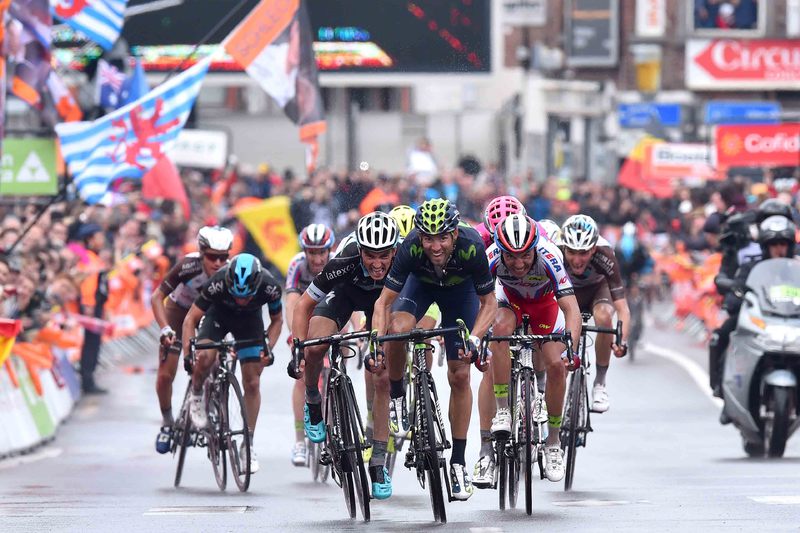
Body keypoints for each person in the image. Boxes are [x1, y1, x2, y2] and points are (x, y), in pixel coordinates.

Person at [372, 198, 497, 501]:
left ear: (455, 233)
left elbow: (489, 304)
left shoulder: (471, 246)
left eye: (442, 237)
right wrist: (376, 341)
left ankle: (458, 462)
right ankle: (399, 394)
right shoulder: (411, 247)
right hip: (422, 286)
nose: (435, 246)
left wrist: (476, 339)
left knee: (460, 376)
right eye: (428, 237)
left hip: (461, 293)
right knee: (398, 330)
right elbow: (383, 303)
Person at [288, 212, 399, 500]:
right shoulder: (344, 259)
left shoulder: (402, 263)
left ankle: (377, 464)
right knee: (315, 346)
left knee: (382, 375)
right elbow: (303, 306)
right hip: (345, 295)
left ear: (394, 251)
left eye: (384, 256)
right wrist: (298, 349)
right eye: (370, 256)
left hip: (383, 304)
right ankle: (313, 400)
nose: (377, 263)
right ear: (360, 250)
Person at [181, 253, 283, 474]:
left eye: (246, 297)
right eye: (237, 295)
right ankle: (197, 393)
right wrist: (189, 355)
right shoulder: (216, 283)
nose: (241, 300)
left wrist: (269, 349)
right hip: (219, 316)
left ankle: (248, 444)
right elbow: (191, 319)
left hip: (249, 322)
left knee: (253, 382)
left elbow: (277, 321)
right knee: (206, 356)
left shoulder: (270, 286)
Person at [150, 226, 233, 454]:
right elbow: (157, 297)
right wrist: (165, 328)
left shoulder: (230, 272)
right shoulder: (188, 266)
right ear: (201, 253)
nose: (218, 262)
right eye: (212, 257)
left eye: (223, 257)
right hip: (179, 313)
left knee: (213, 359)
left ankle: (213, 406)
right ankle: (168, 424)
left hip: (209, 315)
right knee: (167, 373)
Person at [711, 216, 797, 401]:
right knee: (722, 334)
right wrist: (733, 289)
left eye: (783, 244)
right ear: (765, 246)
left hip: (793, 322)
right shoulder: (752, 267)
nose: (779, 249)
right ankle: (721, 387)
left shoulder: (797, 268)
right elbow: (737, 288)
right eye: (774, 244)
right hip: (762, 321)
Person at [560, 214, 630, 412]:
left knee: (604, 317)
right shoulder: (555, 250)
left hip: (598, 291)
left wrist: (621, 341)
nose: (577, 259)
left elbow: (623, 307)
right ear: (564, 247)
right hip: (567, 291)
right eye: (572, 252)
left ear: (593, 248)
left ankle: (600, 383)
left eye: (584, 253)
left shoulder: (605, 253)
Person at [284, 223, 335, 466]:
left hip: (332, 313)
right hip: (305, 314)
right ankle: (299, 441)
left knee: (338, 363)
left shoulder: (338, 263)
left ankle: (337, 424)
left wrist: (357, 330)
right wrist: (295, 337)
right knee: (303, 375)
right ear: (304, 252)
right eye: (311, 252)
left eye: (321, 252)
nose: (316, 258)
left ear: (329, 250)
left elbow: (351, 303)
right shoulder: (297, 265)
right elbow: (292, 304)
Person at [76, 224, 109, 394]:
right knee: (91, 342)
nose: (102, 240)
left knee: (94, 342)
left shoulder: (95, 258)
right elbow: (88, 284)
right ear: (90, 239)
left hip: (97, 306)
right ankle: (87, 380)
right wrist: (88, 304)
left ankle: (89, 377)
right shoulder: (87, 258)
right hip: (91, 306)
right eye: (99, 236)